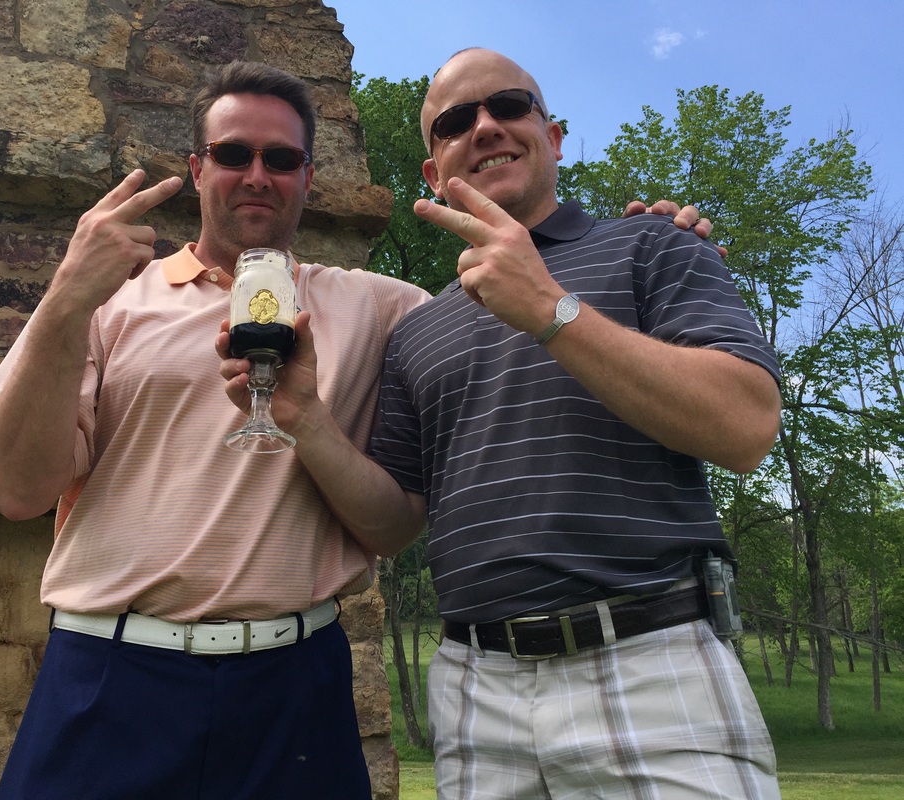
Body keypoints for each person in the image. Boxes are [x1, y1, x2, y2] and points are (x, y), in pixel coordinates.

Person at [221, 48, 783, 799]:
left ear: (553, 136)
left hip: (652, 660)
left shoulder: (654, 243)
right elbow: (393, 527)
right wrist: (307, 422)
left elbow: (746, 426)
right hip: (474, 685)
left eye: (509, 107)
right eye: (456, 121)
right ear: (434, 173)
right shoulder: (418, 330)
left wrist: (550, 309)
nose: (485, 127)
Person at [0, 61, 431, 799]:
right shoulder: (107, 301)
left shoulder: (378, 308)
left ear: (308, 177)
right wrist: (65, 296)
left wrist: (628, 247)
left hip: (295, 686)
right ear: (197, 167)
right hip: (112, 676)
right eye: (233, 153)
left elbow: (505, 324)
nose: (257, 175)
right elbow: (17, 492)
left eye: (282, 158)